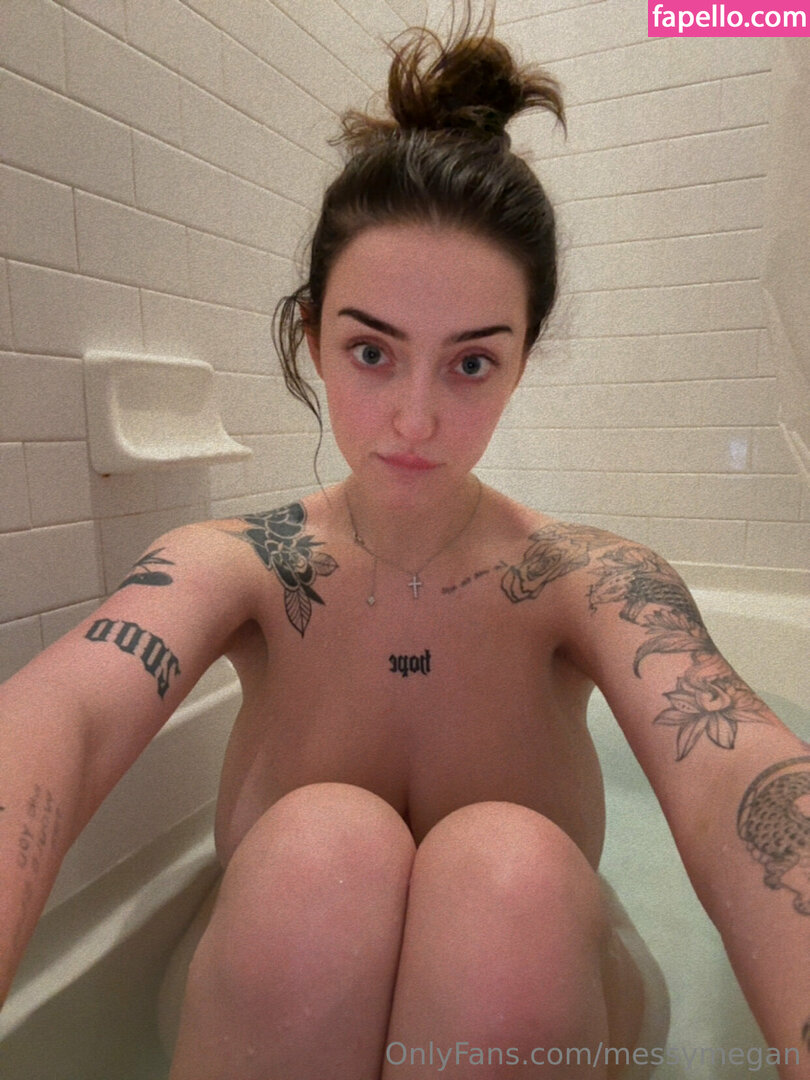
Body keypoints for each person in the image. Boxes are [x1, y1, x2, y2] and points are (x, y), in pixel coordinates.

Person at [1, 6, 808, 1079]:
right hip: (279, 986)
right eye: (372, 352)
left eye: (471, 363)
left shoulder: (591, 582)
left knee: (507, 877)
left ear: (521, 360)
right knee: (317, 858)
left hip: (536, 980)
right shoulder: (237, 563)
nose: (415, 419)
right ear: (312, 336)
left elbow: (734, 774)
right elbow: (64, 715)